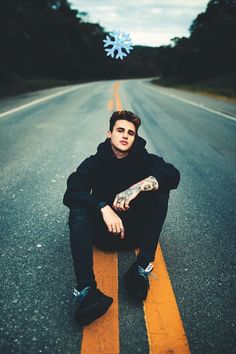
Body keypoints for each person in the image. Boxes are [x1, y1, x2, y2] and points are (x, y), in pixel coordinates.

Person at [63, 110, 180, 326]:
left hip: (135, 233)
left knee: (160, 191)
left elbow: (172, 174)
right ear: (109, 134)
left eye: (131, 132)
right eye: (120, 130)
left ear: (135, 138)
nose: (125, 135)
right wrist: (102, 207)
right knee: (78, 210)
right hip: (103, 234)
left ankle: (141, 268)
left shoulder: (144, 160)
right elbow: (71, 193)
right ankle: (86, 291)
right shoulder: (94, 162)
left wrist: (136, 188)